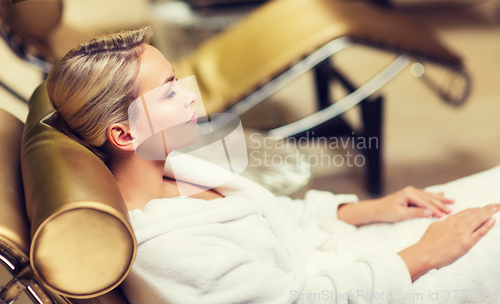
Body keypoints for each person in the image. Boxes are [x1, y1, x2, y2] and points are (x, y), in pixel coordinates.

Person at [46, 27, 499, 303]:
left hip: (345, 260)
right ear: (123, 135)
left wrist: (370, 208)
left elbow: (273, 217)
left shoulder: (171, 170)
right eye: (168, 92)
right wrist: (426, 253)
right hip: (372, 288)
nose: (192, 96)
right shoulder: (169, 254)